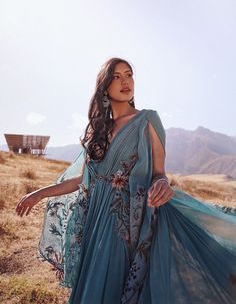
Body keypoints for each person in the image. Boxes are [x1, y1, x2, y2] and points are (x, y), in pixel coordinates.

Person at [16, 58, 236, 304]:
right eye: (117, 76)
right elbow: (82, 179)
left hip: (124, 223)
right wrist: (38, 194)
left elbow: (159, 173)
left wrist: (162, 183)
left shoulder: (148, 120)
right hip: (93, 221)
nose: (125, 81)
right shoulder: (98, 130)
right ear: (105, 86)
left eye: (129, 74)